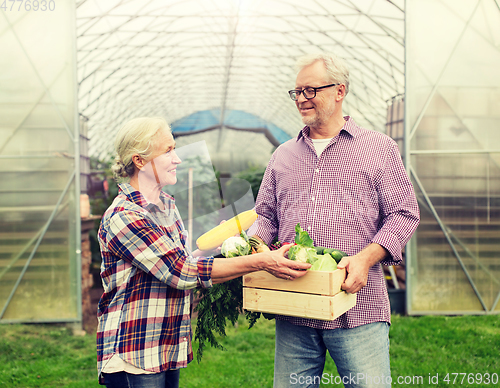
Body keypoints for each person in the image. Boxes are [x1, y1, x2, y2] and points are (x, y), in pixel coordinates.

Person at [96, 117, 310, 388]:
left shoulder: (166, 206)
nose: (177, 159)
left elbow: (177, 261)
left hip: (163, 345)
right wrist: (261, 261)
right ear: (139, 161)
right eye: (167, 151)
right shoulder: (125, 215)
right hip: (134, 351)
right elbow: (181, 272)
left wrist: (212, 249)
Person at [251, 53, 420, 388]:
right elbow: (265, 216)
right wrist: (255, 253)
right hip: (294, 306)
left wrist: (365, 259)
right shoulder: (282, 155)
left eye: (310, 90)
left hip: (358, 307)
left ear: (339, 91)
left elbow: (404, 213)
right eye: (297, 92)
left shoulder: (377, 148)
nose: (301, 99)